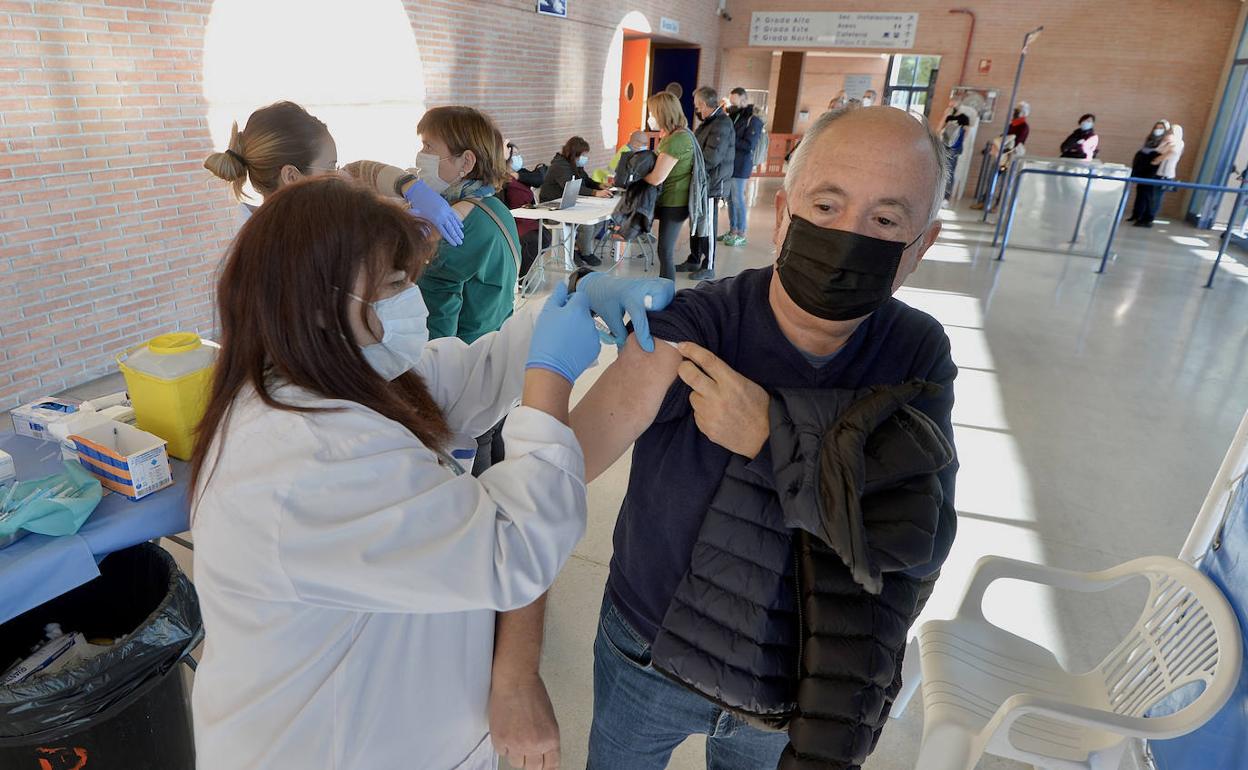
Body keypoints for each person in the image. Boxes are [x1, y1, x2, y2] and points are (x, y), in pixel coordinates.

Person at [188, 174, 674, 770]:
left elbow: (470, 374)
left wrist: (570, 300)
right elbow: (516, 547)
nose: (408, 302)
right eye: (393, 286)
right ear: (316, 306)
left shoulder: (338, 374)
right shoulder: (302, 460)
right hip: (327, 745)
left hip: (415, 720)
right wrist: (550, 378)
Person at [564, 105, 956, 768]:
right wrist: (555, 336)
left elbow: (914, 527)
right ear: (783, 215)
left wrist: (768, 434)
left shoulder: (915, 351)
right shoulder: (698, 324)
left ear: (921, 246)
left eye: (886, 220)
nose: (847, 236)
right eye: (827, 205)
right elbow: (561, 467)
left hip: (795, 674)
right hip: (647, 646)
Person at [203, 100, 463, 245]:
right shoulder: (286, 245)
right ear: (292, 176)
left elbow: (358, 170)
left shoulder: (300, 213)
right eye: (330, 167)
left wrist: (409, 186)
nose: (340, 175)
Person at [642, 91, 710, 280]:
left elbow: (656, 178)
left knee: (665, 251)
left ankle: (667, 295)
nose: (650, 118)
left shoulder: (677, 139)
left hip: (675, 202)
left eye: (652, 113)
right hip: (669, 201)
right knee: (664, 250)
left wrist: (637, 179)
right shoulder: (674, 135)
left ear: (663, 113)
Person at [678, 86, 734, 280]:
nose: (697, 110)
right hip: (701, 182)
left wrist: (690, 167)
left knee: (708, 225)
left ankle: (708, 265)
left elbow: (712, 157)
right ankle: (694, 258)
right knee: (696, 220)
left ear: (703, 103)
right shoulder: (708, 122)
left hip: (711, 184)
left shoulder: (721, 124)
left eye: (697, 106)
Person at [539, 135, 613, 267]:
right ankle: (584, 252)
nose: (585, 158)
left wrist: (598, 185)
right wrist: (595, 193)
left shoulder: (574, 164)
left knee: (600, 221)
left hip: (568, 204)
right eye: (583, 155)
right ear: (575, 154)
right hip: (553, 208)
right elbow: (572, 187)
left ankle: (579, 248)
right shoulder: (560, 166)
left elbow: (585, 180)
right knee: (587, 224)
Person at [724, 87, 763, 247]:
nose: (732, 105)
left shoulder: (753, 120)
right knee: (730, 199)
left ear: (744, 100)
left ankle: (741, 232)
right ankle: (733, 229)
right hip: (730, 164)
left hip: (741, 165)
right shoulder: (735, 116)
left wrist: (729, 140)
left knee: (738, 199)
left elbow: (749, 144)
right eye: (730, 101)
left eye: (735, 102)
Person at [498, 141, 541, 279]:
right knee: (533, 239)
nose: (518, 157)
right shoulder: (501, 179)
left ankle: (525, 272)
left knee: (544, 236)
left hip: (527, 217)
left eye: (518, 154)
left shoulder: (520, 174)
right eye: (514, 154)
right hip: (514, 221)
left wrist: (519, 176)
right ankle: (521, 277)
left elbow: (540, 178)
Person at [1129, 119, 1171, 227]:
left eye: (1161, 128)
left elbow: (1161, 155)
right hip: (1142, 168)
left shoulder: (1165, 141)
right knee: (1140, 192)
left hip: (1153, 170)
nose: (1158, 130)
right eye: (1156, 127)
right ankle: (1136, 214)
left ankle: (1146, 218)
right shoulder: (1149, 138)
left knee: (1149, 194)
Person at [1145, 124, 1185, 226]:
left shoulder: (1179, 143)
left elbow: (1170, 153)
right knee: (1152, 195)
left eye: (1172, 132)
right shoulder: (1169, 142)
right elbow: (1158, 150)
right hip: (1159, 173)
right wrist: (1165, 142)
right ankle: (1147, 216)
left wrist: (1157, 160)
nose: (1170, 134)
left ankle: (1150, 218)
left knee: (1157, 197)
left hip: (1166, 174)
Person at [942, 112, 970, 200]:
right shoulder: (964, 128)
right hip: (955, 150)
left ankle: (943, 196)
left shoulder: (951, 122)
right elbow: (964, 138)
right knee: (950, 173)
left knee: (944, 172)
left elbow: (941, 131)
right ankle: (946, 197)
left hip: (947, 148)